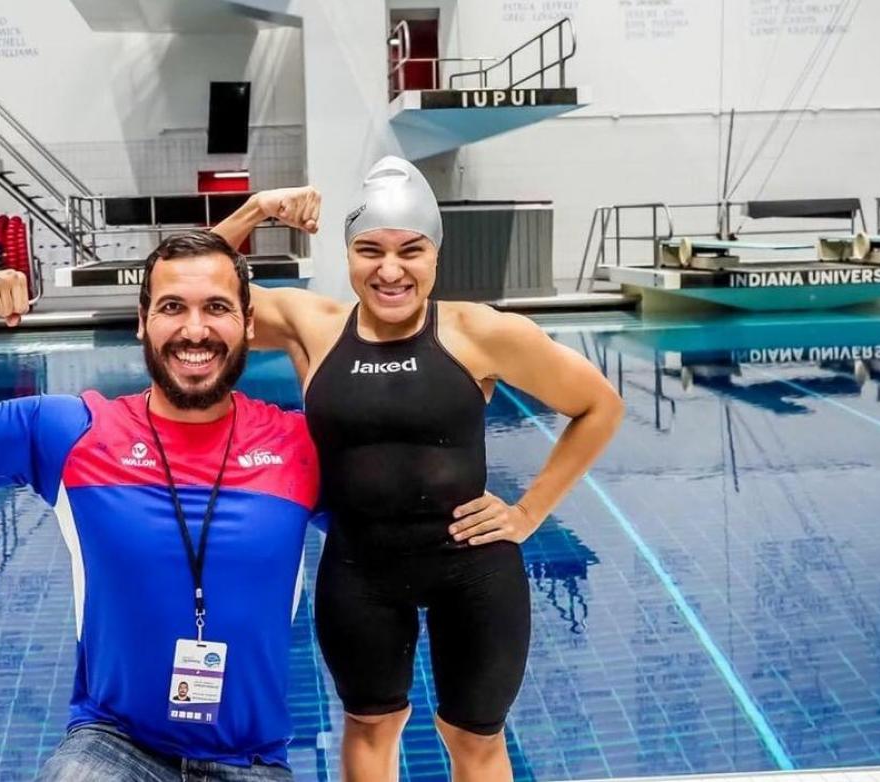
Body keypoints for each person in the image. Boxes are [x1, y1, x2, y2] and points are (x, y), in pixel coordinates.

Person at [0, 231, 320, 782]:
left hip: (251, 760)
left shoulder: (302, 444)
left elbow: (406, 506)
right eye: (172, 308)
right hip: (115, 747)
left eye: (216, 308)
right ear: (142, 322)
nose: (195, 330)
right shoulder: (73, 431)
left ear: (249, 325)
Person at [213, 157, 624, 782]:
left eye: (411, 250)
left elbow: (599, 405)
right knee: (371, 725)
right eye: (368, 249)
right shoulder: (312, 327)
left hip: (474, 570)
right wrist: (258, 209)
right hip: (361, 570)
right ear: (347, 255)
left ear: (435, 254)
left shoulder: (479, 331)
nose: (390, 270)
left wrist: (528, 512)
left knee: (474, 737)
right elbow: (191, 282)